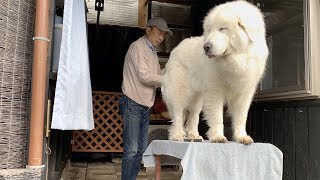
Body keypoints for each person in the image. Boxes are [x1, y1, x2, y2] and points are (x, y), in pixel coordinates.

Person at [119, 17, 173, 180]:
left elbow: (157, 78)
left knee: (140, 149)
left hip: (145, 105)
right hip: (132, 103)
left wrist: (172, 67)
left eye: (163, 35)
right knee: (132, 150)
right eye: (158, 33)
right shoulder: (137, 47)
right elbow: (145, 77)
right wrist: (167, 78)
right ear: (148, 30)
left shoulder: (152, 52)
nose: (161, 38)